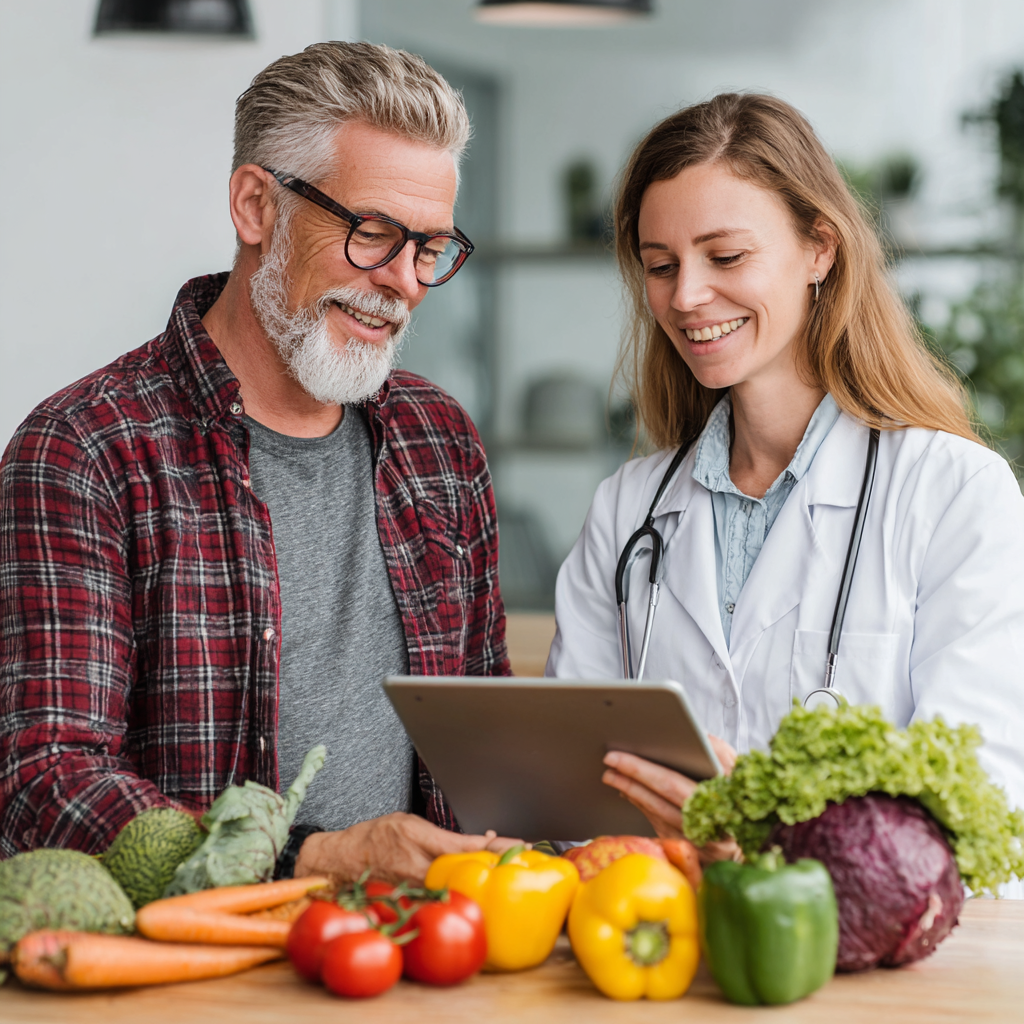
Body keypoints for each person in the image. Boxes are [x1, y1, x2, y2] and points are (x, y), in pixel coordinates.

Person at [0, 42, 516, 882]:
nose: (406, 284)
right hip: (192, 980)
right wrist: (308, 858)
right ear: (255, 206)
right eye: (374, 233)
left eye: (428, 248)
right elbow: (46, 778)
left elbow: (489, 738)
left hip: (423, 956)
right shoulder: (86, 448)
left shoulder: (439, 440)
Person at [547, 93, 1024, 845]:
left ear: (820, 249)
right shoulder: (628, 512)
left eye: (726, 256)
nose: (688, 297)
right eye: (661, 266)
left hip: (862, 954)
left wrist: (762, 833)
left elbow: (981, 803)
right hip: (659, 941)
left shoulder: (956, 494)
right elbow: (572, 798)